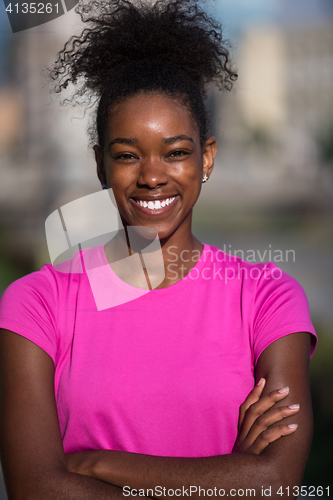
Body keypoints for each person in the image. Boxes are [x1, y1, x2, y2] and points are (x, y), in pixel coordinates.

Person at [0, 0, 317, 498]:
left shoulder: (267, 297)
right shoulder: (36, 304)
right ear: (100, 164)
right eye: (127, 155)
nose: (152, 176)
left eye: (176, 152)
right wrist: (227, 479)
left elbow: (275, 481)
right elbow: (35, 488)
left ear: (206, 157)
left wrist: (99, 464)